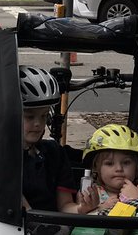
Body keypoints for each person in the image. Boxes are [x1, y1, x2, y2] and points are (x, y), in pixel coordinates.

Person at [19, 67, 90, 214]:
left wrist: (81, 209)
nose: (38, 123)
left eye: (44, 116)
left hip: (52, 227)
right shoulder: (3, 158)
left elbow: (65, 206)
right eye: (29, 117)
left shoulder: (54, 153)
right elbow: (24, 210)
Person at [77, 124, 138, 215]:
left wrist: (136, 200)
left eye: (126, 163)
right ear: (96, 168)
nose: (119, 169)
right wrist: (101, 208)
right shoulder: (91, 194)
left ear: (137, 167)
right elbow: (81, 222)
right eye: (109, 163)